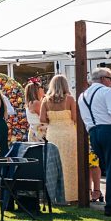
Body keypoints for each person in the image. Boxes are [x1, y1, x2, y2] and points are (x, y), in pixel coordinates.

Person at [78, 67, 111, 217]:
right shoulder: (107, 92)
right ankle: (110, 206)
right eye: (110, 78)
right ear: (102, 79)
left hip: (94, 134)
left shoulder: (82, 96)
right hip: (110, 132)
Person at [39, 74, 78, 205]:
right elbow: (75, 117)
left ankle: (53, 195)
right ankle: (71, 195)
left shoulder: (46, 100)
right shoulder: (70, 99)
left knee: (53, 165)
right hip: (69, 134)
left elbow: (42, 120)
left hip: (53, 134)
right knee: (70, 165)